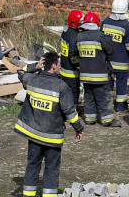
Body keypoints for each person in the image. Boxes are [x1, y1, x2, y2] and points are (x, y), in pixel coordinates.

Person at [15, 52, 83, 197]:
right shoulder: (62, 87)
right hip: (52, 137)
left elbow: (20, 72)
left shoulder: (31, 80)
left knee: (32, 165)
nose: (60, 66)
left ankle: (28, 194)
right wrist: (79, 128)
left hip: (33, 135)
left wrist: (35, 66)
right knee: (51, 168)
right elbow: (70, 112)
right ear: (54, 66)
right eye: (59, 64)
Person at [76, 12, 120, 127]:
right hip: (99, 75)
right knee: (103, 98)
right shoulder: (100, 36)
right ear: (96, 23)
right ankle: (107, 120)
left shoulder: (79, 36)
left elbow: (75, 55)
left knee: (89, 97)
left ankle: (90, 119)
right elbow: (110, 49)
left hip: (85, 75)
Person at [101, 0, 129, 112]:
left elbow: (100, 40)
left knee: (108, 84)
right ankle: (120, 107)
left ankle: (107, 106)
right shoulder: (126, 25)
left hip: (107, 61)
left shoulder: (105, 22)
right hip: (121, 61)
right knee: (121, 85)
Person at [60, 10, 84, 109]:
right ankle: (71, 112)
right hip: (71, 72)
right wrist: (81, 64)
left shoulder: (66, 31)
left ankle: (66, 109)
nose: (81, 26)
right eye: (80, 23)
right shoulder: (74, 36)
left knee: (65, 94)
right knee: (73, 93)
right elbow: (73, 57)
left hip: (64, 68)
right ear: (75, 23)